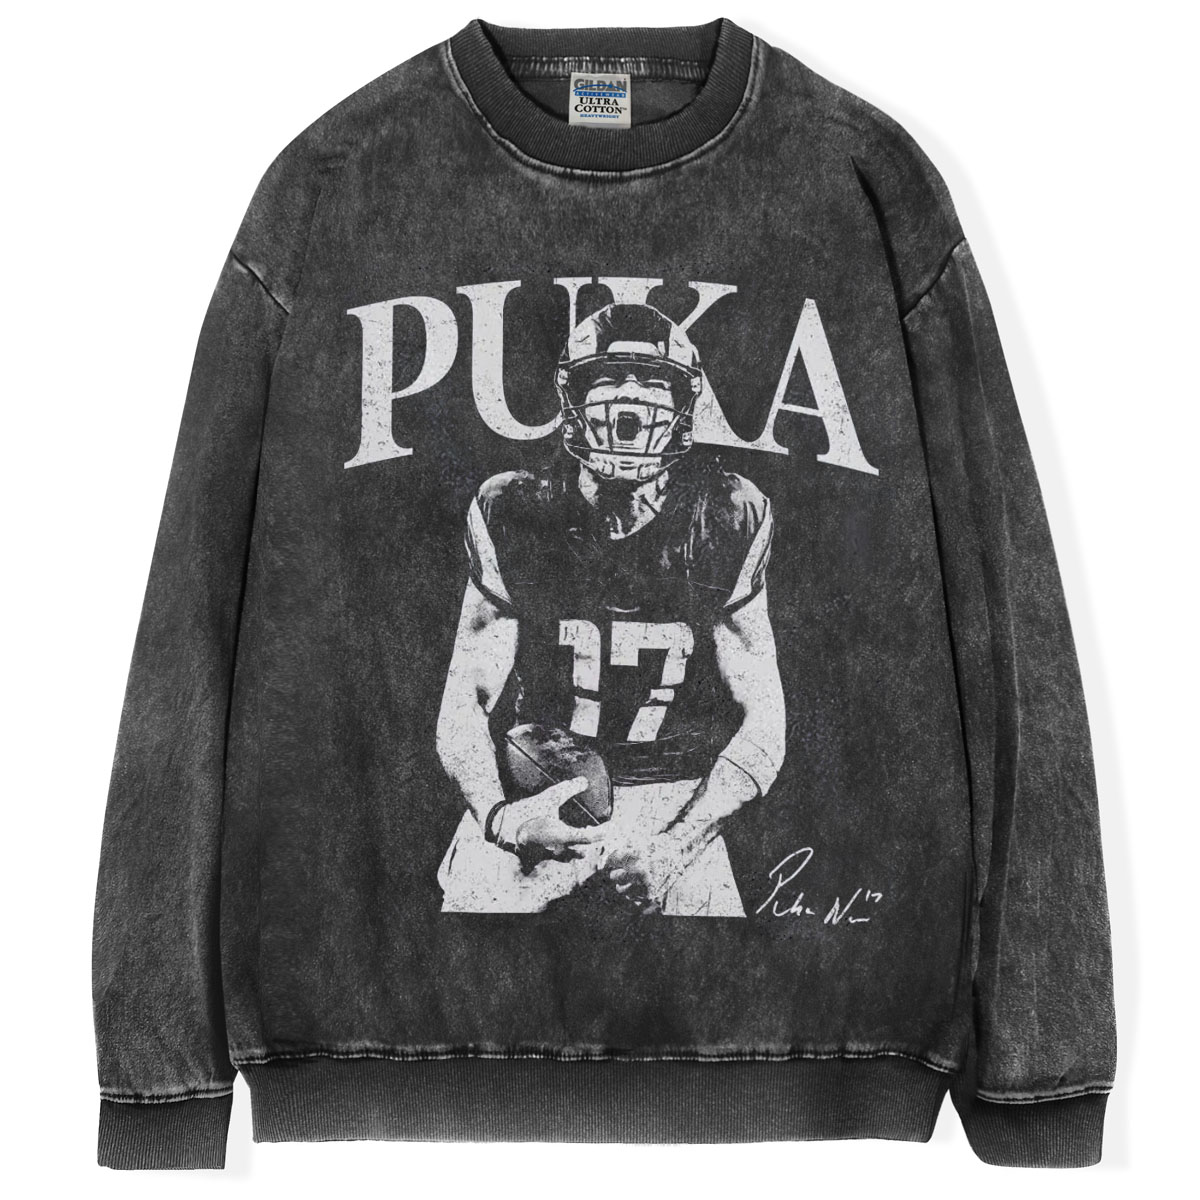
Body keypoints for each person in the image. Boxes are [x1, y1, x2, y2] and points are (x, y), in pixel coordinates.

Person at [435, 302, 786, 916]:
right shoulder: (515, 508)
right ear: (572, 399)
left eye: (652, 382)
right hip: (540, 786)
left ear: (683, 405)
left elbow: (766, 721)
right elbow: (463, 699)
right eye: (607, 380)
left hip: (677, 796)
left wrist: (676, 847)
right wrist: (503, 818)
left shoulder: (727, 515)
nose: (629, 400)